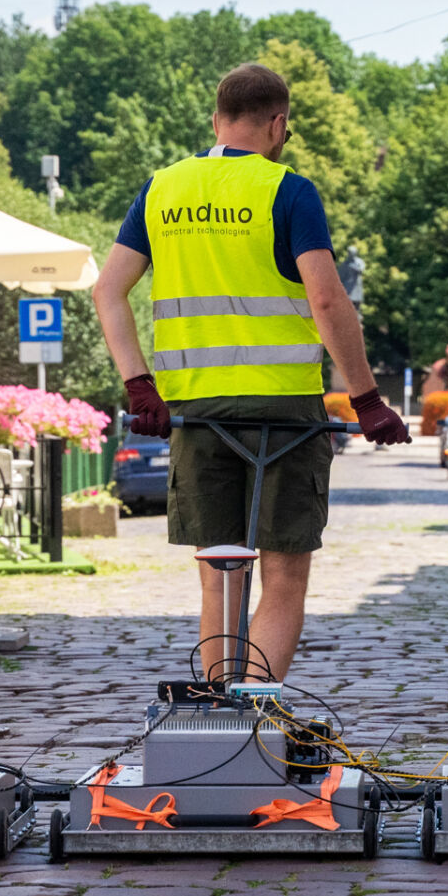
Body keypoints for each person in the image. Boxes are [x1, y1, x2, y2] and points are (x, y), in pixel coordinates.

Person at [92, 62, 409, 682]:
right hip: (284, 411)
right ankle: (253, 723)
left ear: (216, 122)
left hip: (196, 409)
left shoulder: (163, 189)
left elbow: (108, 291)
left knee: (220, 581)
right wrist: (366, 398)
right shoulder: (289, 191)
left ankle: (215, 724)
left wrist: (140, 385)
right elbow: (326, 300)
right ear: (279, 124)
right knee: (284, 578)